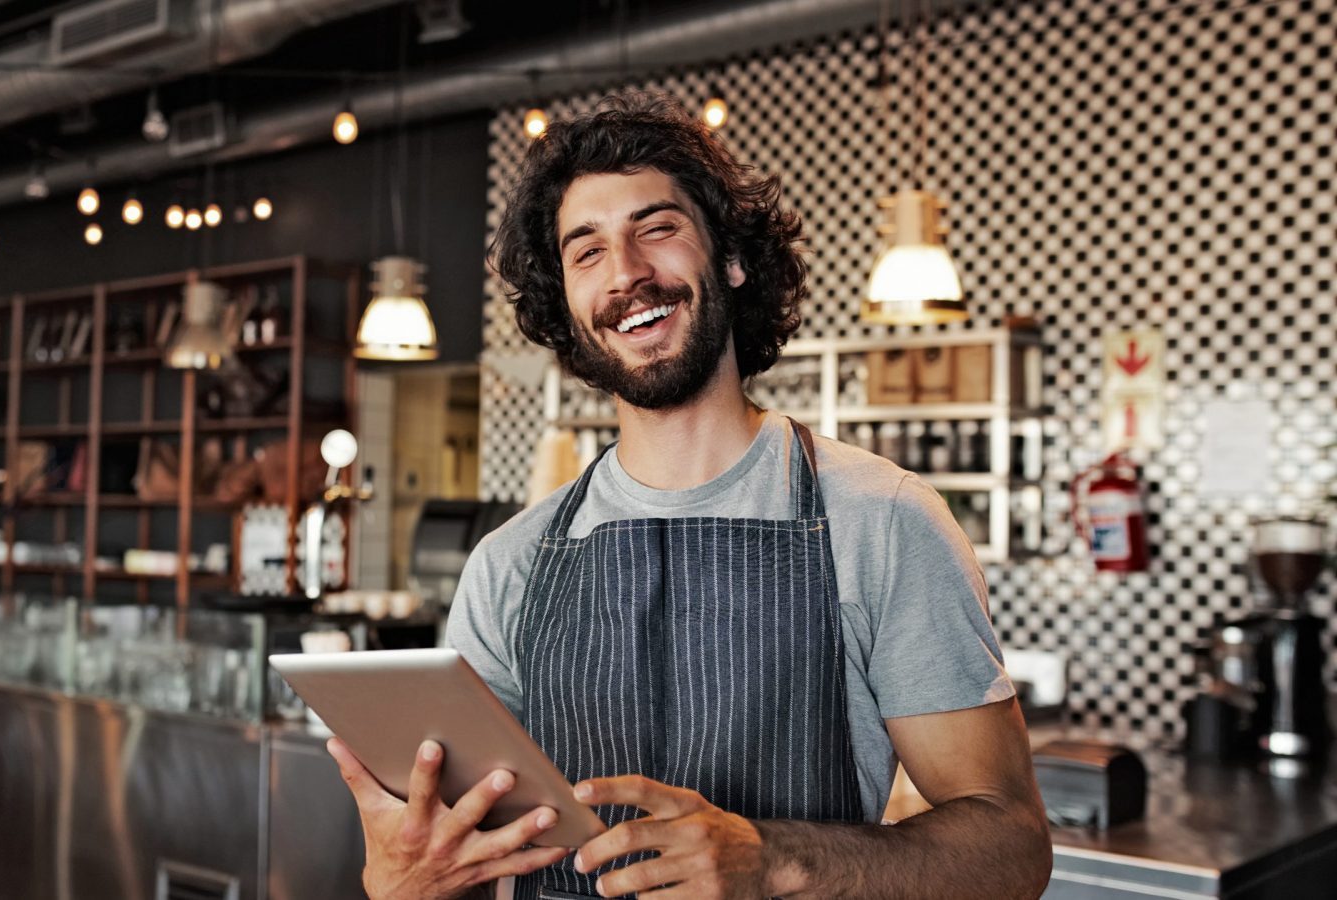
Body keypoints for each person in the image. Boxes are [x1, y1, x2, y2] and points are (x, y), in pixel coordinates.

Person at [329, 92, 1052, 899]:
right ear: (567, 310)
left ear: (731, 260)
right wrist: (403, 883)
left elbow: (1012, 848)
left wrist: (771, 857)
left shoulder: (881, 521)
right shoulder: (511, 565)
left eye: (657, 228)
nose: (628, 274)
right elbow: (458, 855)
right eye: (587, 251)